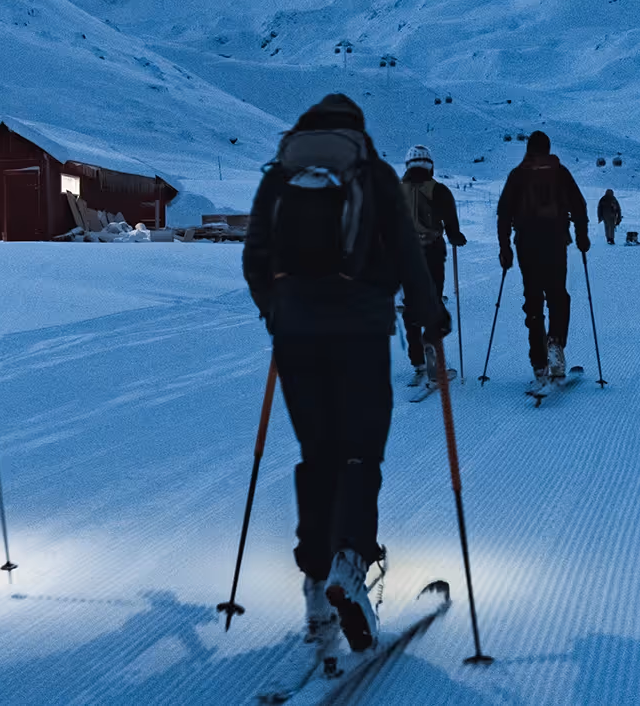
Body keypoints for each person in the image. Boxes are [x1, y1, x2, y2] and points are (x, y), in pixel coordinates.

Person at [243, 94, 447, 654]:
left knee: (318, 455)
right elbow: (407, 253)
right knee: (360, 452)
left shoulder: (279, 176)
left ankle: (314, 585)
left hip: (297, 334)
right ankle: (350, 563)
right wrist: (431, 316)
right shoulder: (375, 175)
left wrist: (277, 309)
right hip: (360, 329)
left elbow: (254, 256)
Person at [496, 131, 589, 385]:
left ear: (528, 148)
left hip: (526, 244)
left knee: (533, 300)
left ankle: (539, 363)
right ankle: (555, 343)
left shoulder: (517, 174)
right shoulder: (560, 172)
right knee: (558, 295)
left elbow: (504, 213)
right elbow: (579, 206)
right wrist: (582, 236)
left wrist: (505, 248)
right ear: (548, 148)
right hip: (555, 242)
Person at [398, 145, 467, 378]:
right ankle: (432, 348)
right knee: (433, 299)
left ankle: (417, 360)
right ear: (429, 165)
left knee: (410, 304)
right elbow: (452, 228)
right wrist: (457, 237)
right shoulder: (439, 190)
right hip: (433, 252)